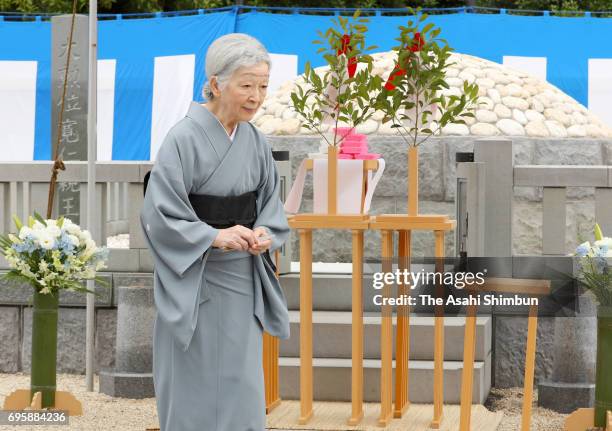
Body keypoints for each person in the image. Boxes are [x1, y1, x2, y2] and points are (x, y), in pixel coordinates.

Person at [140, 33, 290, 431]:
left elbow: (271, 203)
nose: (256, 96)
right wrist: (212, 236)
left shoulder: (255, 141)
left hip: (241, 278)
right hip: (195, 279)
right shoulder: (183, 138)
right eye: (246, 85)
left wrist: (265, 232)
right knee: (194, 383)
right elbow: (159, 214)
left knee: (242, 383)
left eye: (262, 85)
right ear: (216, 82)